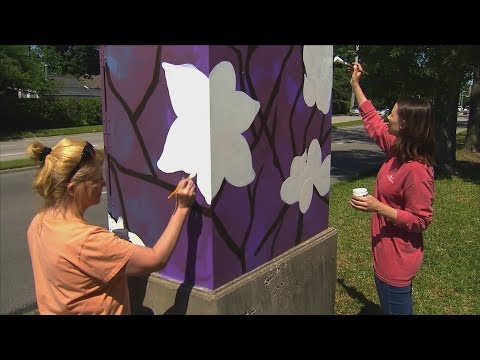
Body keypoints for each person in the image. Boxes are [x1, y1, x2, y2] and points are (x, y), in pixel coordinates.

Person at [26, 138, 195, 315]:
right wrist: (182, 209)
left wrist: (112, 248)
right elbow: (156, 259)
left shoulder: (38, 222)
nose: (104, 184)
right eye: (96, 179)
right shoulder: (87, 240)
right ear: (73, 189)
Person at [349, 62, 435, 315]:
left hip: (397, 261)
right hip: (385, 253)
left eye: (394, 114)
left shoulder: (416, 170)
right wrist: (355, 84)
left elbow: (421, 220)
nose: (388, 116)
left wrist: (378, 207)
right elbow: (374, 122)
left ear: (406, 124)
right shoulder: (398, 151)